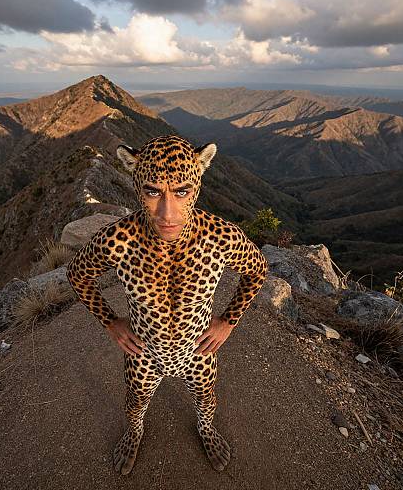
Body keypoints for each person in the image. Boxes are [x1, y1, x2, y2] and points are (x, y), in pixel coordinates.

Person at [66, 135, 268, 475]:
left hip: (198, 347)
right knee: (135, 403)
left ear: (199, 182)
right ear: (135, 183)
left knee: (207, 400)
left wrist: (227, 321)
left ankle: (205, 429)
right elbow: (77, 274)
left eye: (182, 192)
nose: (167, 213)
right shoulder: (119, 240)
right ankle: (135, 431)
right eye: (152, 191)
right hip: (144, 350)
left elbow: (258, 270)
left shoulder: (221, 238)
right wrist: (110, 321)